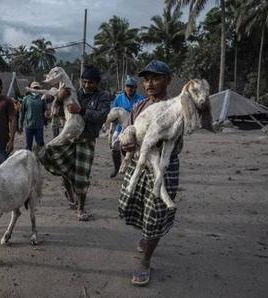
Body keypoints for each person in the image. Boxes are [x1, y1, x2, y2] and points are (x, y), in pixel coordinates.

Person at [118, 60, 181, 286]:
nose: (150, 83)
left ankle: (144, 260)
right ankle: (146, 237)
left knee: (155, 213)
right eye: (146, 79)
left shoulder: (176, 108)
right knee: (137, 209)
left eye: (156, 78)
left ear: (168, 80)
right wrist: (125, 145)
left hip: (162, 169)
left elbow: (176, 144)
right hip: (138, 165)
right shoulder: (139, 106)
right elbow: (131, 133)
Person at [39, 66, 110, 221]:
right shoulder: (74, 92)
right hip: (69, 138)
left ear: (97, 83)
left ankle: (81, 209)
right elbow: (60, 112)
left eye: (90, 83)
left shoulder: (103, 96)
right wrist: (58, 99)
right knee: (57, 163)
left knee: (82, 176)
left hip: (87, 140)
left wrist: (81, 110)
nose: (86, 85)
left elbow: (102, 116)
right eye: (84, 82)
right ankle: (70, 194)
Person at [109, 76, 144, 178]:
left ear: (135, 88)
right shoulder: (119, 98)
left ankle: (131, 166)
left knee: (131, 146)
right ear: (125, 87)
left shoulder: (140, 99)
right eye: (128, 86)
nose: (130, 88)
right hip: (120, 127)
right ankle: (116, 167)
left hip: (134, 127)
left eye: (132, 87)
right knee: (114, 143)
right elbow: (114, 112)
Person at [20, 81, 48, 151]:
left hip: (39, 125)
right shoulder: (26, 98)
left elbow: (44, 111)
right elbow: (22, 112)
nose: (35, 89)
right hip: (28, 125)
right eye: (34, 88)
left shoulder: (42, 98)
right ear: (31, 88)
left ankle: (39, 160)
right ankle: (28, 160)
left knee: (40, 145)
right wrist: (20, 124)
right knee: (28, 146)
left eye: (37, 88)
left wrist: (45, 123)